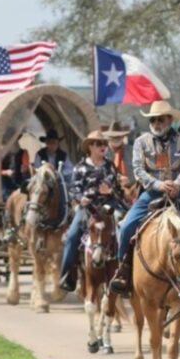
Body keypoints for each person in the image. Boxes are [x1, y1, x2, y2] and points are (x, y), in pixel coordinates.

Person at [109, 100, 180, 299]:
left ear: (170, 120)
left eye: (161, 119)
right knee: (126, 226)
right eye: (153, 119)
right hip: (152, 193)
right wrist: (158, 185)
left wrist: (177, 184)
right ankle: (123, 271)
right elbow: (138, 169)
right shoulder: (141, 142)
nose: (157, 123)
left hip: (179, 193)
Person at [59, 130, 128, 291]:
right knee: (72, 236)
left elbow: (120, 191)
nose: (103, 146)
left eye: (104, 144)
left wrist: (110, 192)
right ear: (90, 147)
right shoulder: (80, 168)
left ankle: (124, 270)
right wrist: (81, 197)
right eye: (98, 144)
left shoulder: (110, 166)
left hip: (109, 206)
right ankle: (67, 275)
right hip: (88, 208)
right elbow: (73, 190)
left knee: (123, 227)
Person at [34, 128, 75, 194]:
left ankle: (65, 203)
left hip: (58, 183)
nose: (52, 145)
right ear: (46, 143)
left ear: (58, 144)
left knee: (64, 190)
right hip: (43, 182)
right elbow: (36, 168)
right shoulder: (40, 154)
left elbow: (70, 169)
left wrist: (60, 173)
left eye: (54, 143)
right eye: (49, 143)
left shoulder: (63, 155)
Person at [103, 121, 135, 190]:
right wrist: (118, 178)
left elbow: (139, 168)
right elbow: (103, 173)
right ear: (109, 138)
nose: (116, 138)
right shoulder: (103, 153)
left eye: (118, 136)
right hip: (112, 190)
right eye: (113, 136)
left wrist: (131, 180)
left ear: (123, 136)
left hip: (134, 188)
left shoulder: (132, 150)